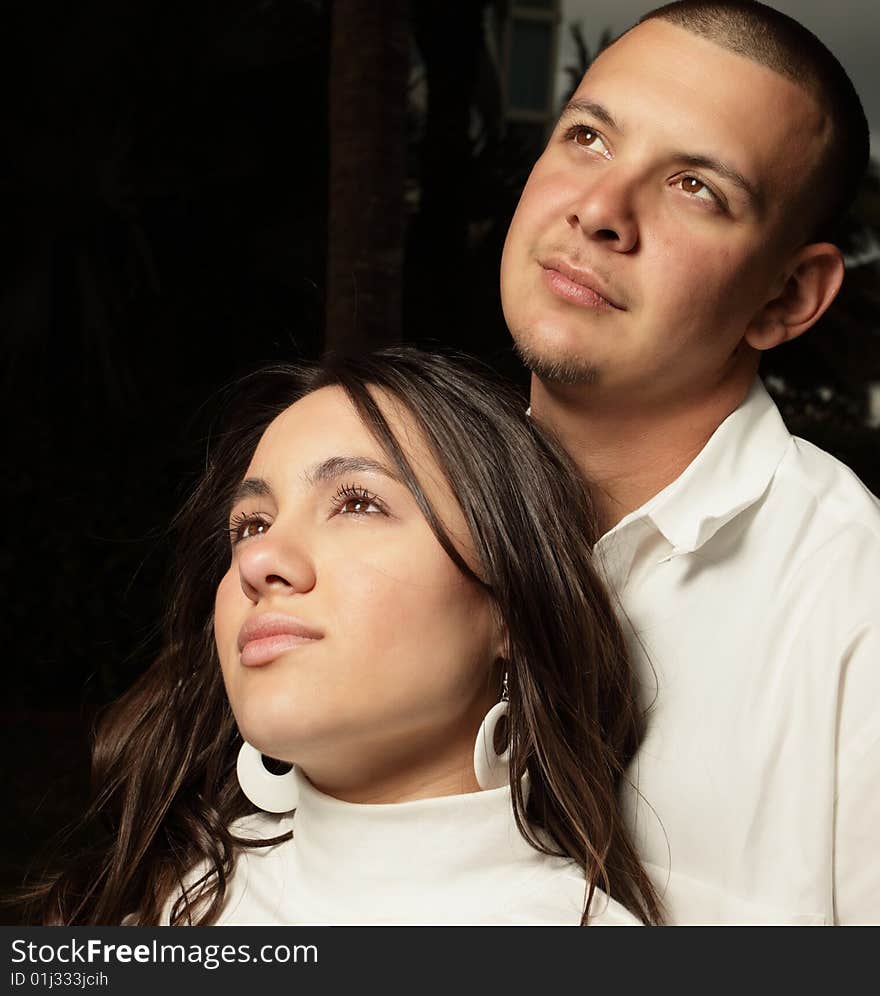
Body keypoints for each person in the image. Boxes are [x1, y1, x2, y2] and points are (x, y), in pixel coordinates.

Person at [21, 347, 659, 926]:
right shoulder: (156, 905)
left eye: (358, 503)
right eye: (250, 524)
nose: (259, 560)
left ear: (511, 611)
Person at [500, 0, 879, 924]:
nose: (599, 211)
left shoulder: (853, 606)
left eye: (696, 186)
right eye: (588, 136)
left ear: (788, 296)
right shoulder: (387, 518)